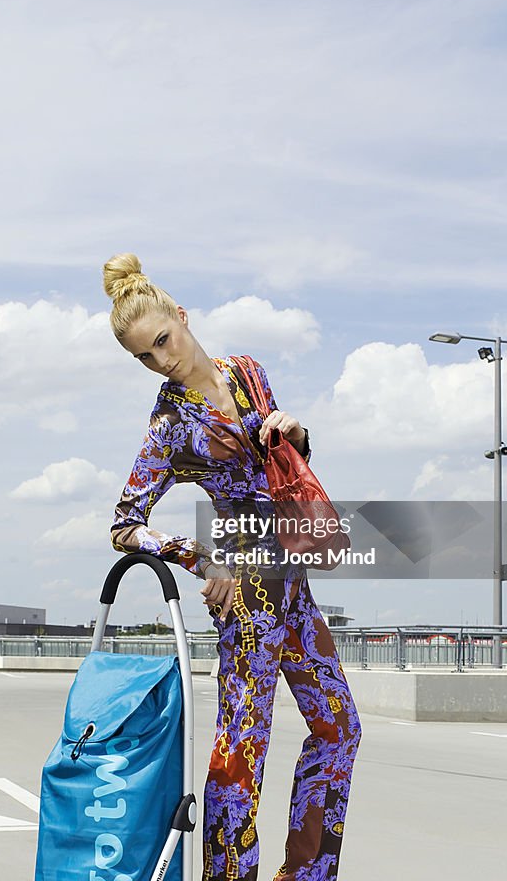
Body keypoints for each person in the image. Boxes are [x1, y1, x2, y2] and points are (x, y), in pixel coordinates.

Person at [103, 252, 361, 881]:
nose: (162, 361)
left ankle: (306, 874)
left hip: (291, 585)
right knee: (241, 752)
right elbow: (124, 524)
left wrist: (292, 435)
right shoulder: (169, 425)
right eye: (145, 356)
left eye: (163, 341)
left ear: (182, 317)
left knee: (339, 729)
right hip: (245, 595)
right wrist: (201, 558)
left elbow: (275, 468)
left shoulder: (248, 372)